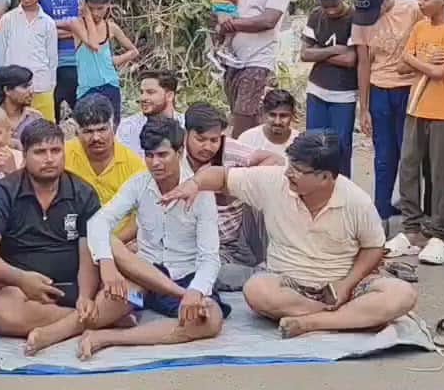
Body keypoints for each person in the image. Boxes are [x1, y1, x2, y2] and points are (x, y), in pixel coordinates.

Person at [163, 132, 418, 338]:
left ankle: (310, 324)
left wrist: (346, 284)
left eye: (297, 169)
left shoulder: (356, 201)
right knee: (256, 290)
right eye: (289, 165)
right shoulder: (275, 181)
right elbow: (220, 176)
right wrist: (193, 184)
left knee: (402, 294)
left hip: (341, 284)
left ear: (325, 177)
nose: (288, 173)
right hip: (288, 284)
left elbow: (374, 247)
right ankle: (346, 318)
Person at [0, 120, 132, 355]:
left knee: (133, 292)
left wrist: (86, 296)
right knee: (0, 314)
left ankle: (59, 330)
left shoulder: (82, 192)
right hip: (24, 291)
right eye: (40, 152)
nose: (49, 158)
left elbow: (88, 250)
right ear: (24, 155)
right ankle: (97, 319)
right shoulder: (5, 192)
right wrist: (22, 278)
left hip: (76, 285)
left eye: (55, 151)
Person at [81, 117, 227, 358]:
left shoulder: (200, 194)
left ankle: (110, 337)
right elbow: (98, 221)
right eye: (149, 156)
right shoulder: (139, 183)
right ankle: (117, 316)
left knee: (209, 321)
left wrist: (196, 290)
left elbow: (210, 258)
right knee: (104, 305)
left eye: (162, 155)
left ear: (179, 153)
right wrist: (107, 264)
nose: (155, 163)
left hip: (184, 280)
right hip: (143, 281)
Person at [383, 0, 444, 266]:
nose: (420, 3)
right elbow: (403, 65)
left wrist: (417, 61)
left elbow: (441, 72)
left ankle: (439, 233)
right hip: (415, 107)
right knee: (408, 167)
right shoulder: (420, 27)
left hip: (442, 109)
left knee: (439, 172)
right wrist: (423, 62)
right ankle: (411, 229)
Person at [178, 103, 284, 291]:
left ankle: (272, 269)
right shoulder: (174, 157)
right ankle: (264, 277)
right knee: (195, 274)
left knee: (268, 187)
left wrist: (234, 182)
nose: (208, 147)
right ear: (186, 134)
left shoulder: (229, 150)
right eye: (201, 139)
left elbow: (276, 160)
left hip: (243, 235)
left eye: (214, 140)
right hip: (204, 246)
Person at [349, 0, 421, 222]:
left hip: (409, 89)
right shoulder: (361, 18)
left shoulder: (412, 9)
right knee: (383, 155)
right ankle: (380, 212)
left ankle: (413, 214)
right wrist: (364, 108)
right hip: (379, 90)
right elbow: (364, 63)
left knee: (409, 155)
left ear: (385, 1)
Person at [218, 0, 293, 137]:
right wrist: (221, 21)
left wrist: (233, 24)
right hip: (233, 58)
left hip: (258, 60)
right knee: (242, 116)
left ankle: (236, 164)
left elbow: (269, 20)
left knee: (242, 118)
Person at [301, 0, 358, 177]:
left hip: (344, 94)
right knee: (314, 145)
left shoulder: (354, 17)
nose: (330, 11)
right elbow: (305, 54)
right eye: (326, 7)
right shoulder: (316, 15)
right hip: (316, 90)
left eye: (334, 5)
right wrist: (335, 50)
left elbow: (350, 60)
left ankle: (340, 188)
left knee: (340, 147)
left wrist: (319, 52)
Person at [64, 94, 146, 224]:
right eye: (88, 132)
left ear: (113, 125)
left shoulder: (134, 166)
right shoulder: (62, 156)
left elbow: (141, 216)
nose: (96, 138)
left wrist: (112, 242)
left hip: (118, 240)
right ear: (77, 130)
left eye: (102, 129)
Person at [71, 0, 139, 124]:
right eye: (91, 8)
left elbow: (133, 51)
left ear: (108, 5)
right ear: (85, 6)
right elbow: (94, 44)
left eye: (100, 8)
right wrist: (87, 17)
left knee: (112, 126)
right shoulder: (77, 24)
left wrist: (113, 60)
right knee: (88, 127)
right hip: (87, 88)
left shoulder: (111, 27)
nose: (96, 13)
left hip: (110, 85)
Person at [37, 0, 89, 120]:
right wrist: (75, 29)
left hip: (79, 62)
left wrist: (61, 29)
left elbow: (93, 25)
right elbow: (38, 30)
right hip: (49, 64)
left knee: (86, 117)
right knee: (50, 120)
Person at [0, 0, 58, 122]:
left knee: (44, 129)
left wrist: (49, 84)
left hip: (41, 86)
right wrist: (8, 82)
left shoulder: (48, 22)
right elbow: (1, 54)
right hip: (15, 88)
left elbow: (52, 58)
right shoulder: (7, 19)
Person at [116, 69, 185, 156]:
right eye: (142, 92)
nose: (143, 98)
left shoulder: (187, 126)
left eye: (150, 92)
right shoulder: (126, 128)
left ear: (169, 96)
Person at [236, 90, 300, 157]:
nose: (277, 122)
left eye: (283, 116)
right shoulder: (247, 139)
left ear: (292, 115)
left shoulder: (300, 143)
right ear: (264, 113)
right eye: (272, 115)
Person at [0, 64, 44, 143]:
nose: (31, 91)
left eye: (30, 86)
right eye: (25, 87)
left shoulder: (35, 117)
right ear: (7, 90)